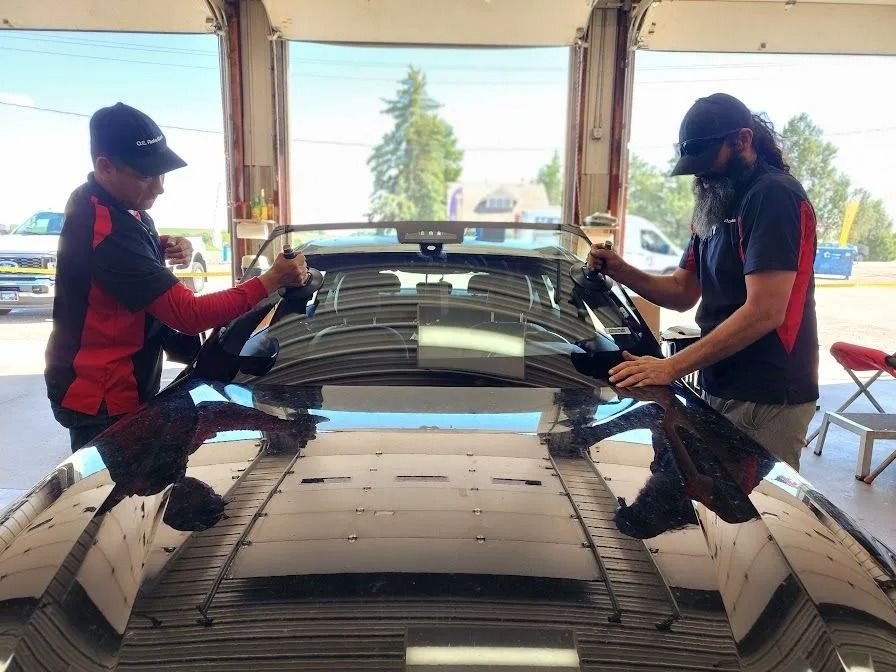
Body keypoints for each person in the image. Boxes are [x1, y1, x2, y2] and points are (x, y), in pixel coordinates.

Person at [45, 102, 308, 452]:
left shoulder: (111, 204)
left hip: (119, 383)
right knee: (120, 498)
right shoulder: (106, 231)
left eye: (161, 173)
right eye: (145, 175)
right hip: (101, 398)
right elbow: (189, 316)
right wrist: (271, 280)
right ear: (104, 167)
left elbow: (117, 258)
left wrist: (160, 244)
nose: (159, 187)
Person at [589, 93, 818, 471]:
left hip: (769, 393)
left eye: (708, 164)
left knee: (753, 518)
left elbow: (765, 312)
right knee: (717, 511)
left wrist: (670, 367)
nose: (701, 176)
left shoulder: (773, 195)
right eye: (693, 167)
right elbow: (682, 292)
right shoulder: (715, 205)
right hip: (719, 384)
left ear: (743, 141)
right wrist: (619, 269)